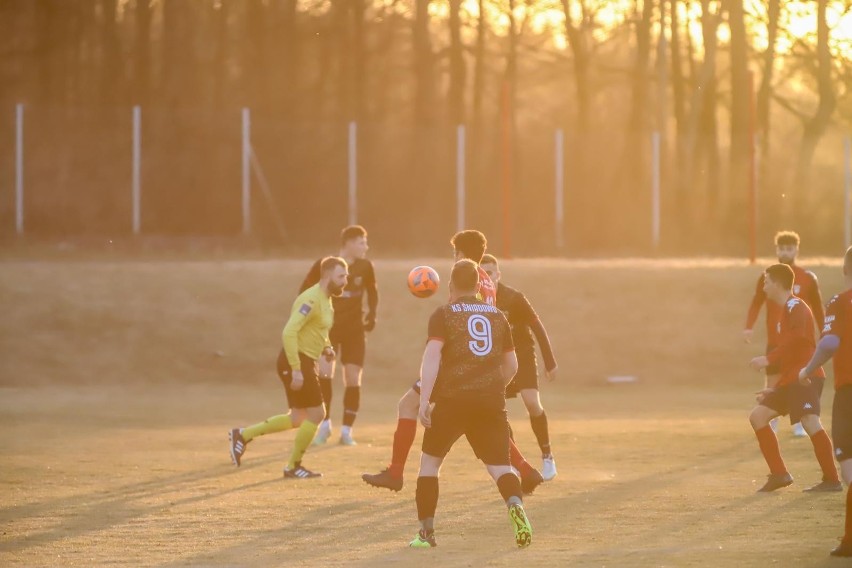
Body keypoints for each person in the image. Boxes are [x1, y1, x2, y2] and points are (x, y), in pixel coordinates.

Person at [362, 230, 544, 494]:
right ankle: (526, 471)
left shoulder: (466, 282)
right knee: (484, 426)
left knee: (408, 405)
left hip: (457, 365)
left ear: (459, 253)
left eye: (454, 252)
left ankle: (395, 473)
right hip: (482, 367)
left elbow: (459, 324)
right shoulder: (486, 280)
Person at [408, 259, 532, 549]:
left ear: (450, 286)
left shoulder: (443, 314)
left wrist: (425, 400)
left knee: (430, 464)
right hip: (490, 403)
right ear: (479, 286)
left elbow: (432, 357)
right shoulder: (498, 315)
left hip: (451, 401)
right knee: (501, 468)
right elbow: (512, 364)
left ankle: (426, 534)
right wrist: (493, 388)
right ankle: (516, 507)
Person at [228, 257, 349, 478]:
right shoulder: (311, 299)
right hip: (297, 360)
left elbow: (318, 330)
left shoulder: (326, 299)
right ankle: (293, 466)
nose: (345, 281)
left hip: (305, 360)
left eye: (346, 276)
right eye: (341, 276)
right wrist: (296, 369)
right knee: (317, 414)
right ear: (327, 275)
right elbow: (289, 332)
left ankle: (243, 435)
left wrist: (328, 347)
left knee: (297, 418)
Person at [747, 263, 840, 493]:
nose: (764, 285)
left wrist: (768, 360)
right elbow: (790, 354)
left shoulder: (795, 306)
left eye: (766, 281)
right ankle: (780, 474)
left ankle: (832, 480)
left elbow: (797, 342)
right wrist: (775, 387)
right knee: (758, 416)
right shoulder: (784, 311)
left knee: (809, 421)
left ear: (777, 283)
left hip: (806, 376)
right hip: (791, 378)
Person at [480, 254, 559, 480]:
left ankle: (547, 456)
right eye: (483, 273)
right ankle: (514, 464)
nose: (488, 277)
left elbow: (537, 327)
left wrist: (550, 361)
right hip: (496, 361)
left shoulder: (514, 298)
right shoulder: (477, 300)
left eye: (491, 272)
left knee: (532, 402)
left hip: (522, 355)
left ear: (498, 274)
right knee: (498, 411)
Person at [299, 225, 378, 446]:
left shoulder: (365, 266)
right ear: (349, 243)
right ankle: (325, 426)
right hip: (328, 330)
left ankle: (346, 431)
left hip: (354, 331)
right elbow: (304, 290)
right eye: (362, 242)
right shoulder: (324, 265)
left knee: (353, 378)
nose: (366, 247)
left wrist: (372, 314)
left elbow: (372, 291)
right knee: (324, 375)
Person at [798, 246, 852, 557]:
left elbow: (830, 341)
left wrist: (807, 369)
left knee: (849, 473)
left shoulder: (840, 302)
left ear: (845, 270)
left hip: (849, 395)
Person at [744, 231, 824, 437]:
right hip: (775, 341)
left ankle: (800, 420)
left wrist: (825, 329)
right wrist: (748, 326)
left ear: (797, 249)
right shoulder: (768, 276)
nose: (785, 252)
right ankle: (771, 421)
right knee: (772, 381)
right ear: (776, 249)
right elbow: (756, 302)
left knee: (799, 377)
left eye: (789, 248)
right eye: (782, 248)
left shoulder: (807, 277)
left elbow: (817, 307)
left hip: (799, 342)